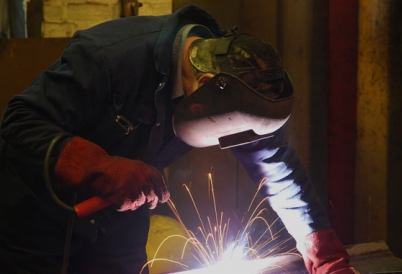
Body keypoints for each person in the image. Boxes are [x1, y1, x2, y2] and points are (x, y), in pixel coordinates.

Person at [0, 4, 358, 274]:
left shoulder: (236, 83)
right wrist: (98, 165)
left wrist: (322, 248)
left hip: (121, 211)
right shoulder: (108, 59)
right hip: (37, 213)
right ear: (204, 88)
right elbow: (19, 123)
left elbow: (276, 167)